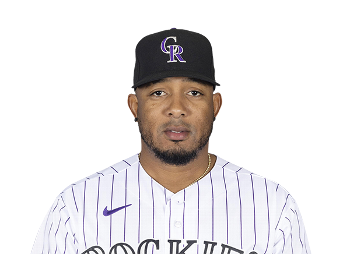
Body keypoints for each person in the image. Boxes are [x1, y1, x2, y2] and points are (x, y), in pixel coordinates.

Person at [32, 29, 310, 254]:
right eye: (158, 92)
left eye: (194, 92)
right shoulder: (77, 206)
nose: (177, 108)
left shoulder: (271, 205)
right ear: (134, 106)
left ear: (216, 104)